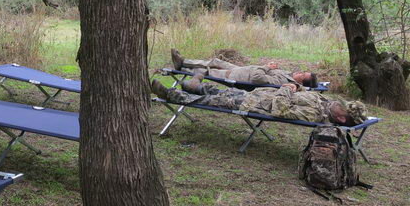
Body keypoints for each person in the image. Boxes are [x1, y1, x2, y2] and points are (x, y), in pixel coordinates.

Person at [150, 79, 367, 126]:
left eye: (345, 106)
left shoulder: (314, 115)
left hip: (253, 105)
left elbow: (280, 110)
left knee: (209, 99)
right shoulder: (326, 102)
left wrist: (285, 89)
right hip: (256, 95)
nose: (342, 102)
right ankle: (190, 85)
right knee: (220, 90)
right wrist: (297, 87)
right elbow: (303, 91)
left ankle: (169, 94)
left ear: (340, 117)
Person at [170, 48, 319, 88]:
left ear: (299, 83)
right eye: (303, 71)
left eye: (302, 75)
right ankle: (184, 61)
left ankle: (182, 68)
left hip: (240, 78)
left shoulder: (282, 82)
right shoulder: (287, 74)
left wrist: (266, 66)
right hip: (243, 69)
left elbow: (257, 78)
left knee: (208, 72)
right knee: (216, 60)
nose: (299, 72)